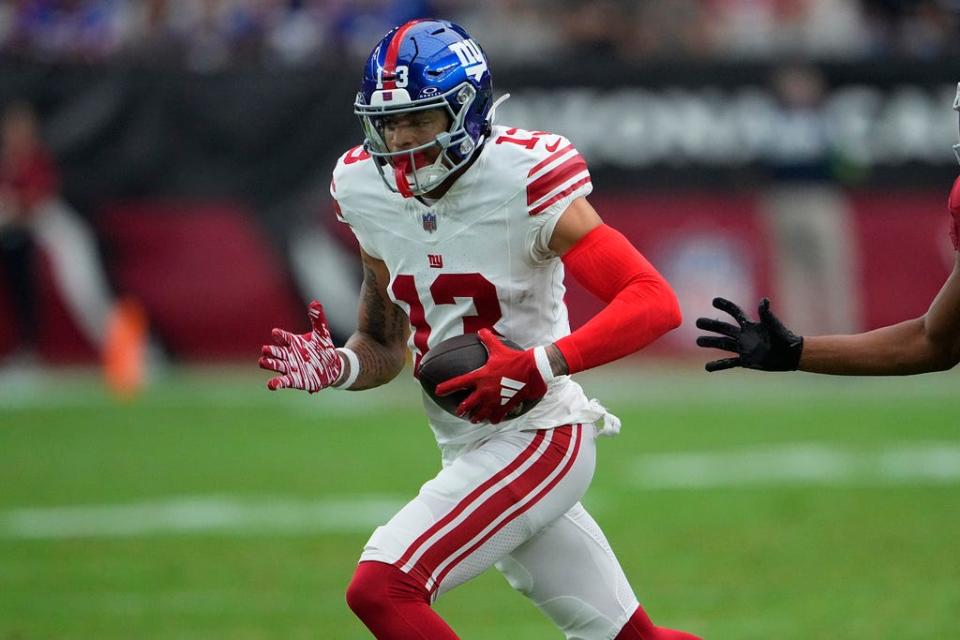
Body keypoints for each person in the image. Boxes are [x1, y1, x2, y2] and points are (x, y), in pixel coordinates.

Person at [259, 19, 698, 640]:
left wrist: (539, 364)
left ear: (465, 113)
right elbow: (385, 342)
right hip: (466, 442)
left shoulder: (525, 176)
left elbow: (654, 301)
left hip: (539, 433)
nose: (399, 142)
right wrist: (342, 365)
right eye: (388, 123)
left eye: (419, 121)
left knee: (384, 587)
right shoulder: (364, 186)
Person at [695, 89, 960, 376]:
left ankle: (839, 330)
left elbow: (850, 166)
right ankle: (809, 333)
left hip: (821, 197)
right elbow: (934, 341)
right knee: (795, 278)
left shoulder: (826, 123)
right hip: (784, 199)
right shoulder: (773, 123)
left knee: (833, 275)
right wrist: (798, 351)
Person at [0, 100, 147, 395]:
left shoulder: (37, 161)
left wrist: (13, 208)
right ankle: (28, 353)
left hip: (63, 236)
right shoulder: (8, 163)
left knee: (86, 293)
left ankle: (134, 353)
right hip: (24, 241)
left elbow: (35, 202)